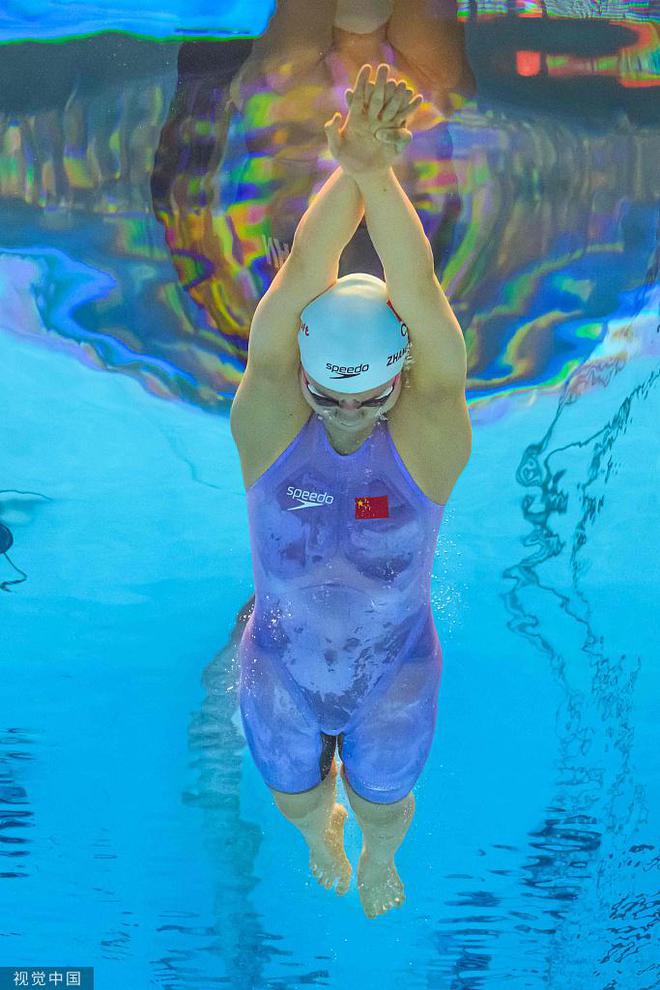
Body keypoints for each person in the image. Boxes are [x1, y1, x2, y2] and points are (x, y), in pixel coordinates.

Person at [230, 64, 472, 919]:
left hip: (394, 672)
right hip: (280, 667)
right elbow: (304, 267)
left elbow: (422, 294)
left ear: (402, 380)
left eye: (368, 398)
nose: (344, 415)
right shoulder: (266, 426)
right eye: (327, 394)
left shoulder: (431, 437)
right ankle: (315, 834)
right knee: (294, 795)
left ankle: (373, 848)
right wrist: (355, 170)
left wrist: (377, 174)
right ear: (301, 373)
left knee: (386, 802)